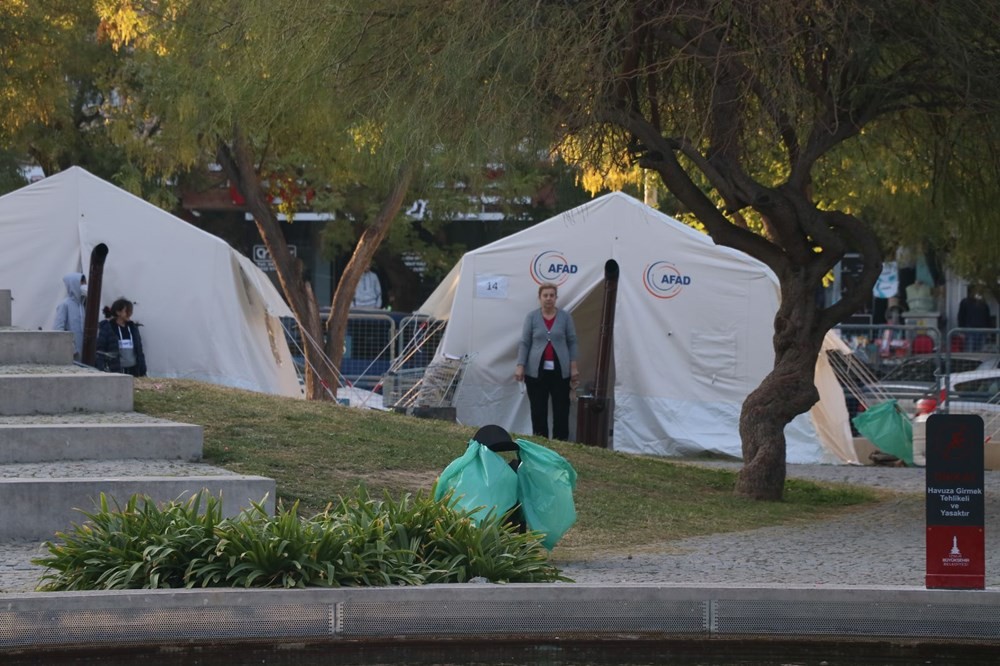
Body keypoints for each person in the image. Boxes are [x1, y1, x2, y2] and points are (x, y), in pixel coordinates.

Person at [515, 282, 579, 441]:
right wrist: (520, 365)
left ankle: (561, 442)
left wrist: (573, 366)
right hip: (535, 371)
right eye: (545, 295)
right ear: (539, 298)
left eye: (552, 295)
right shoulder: (532, 317)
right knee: (538, 409)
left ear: (556, 298)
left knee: (561, 409)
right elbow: (525, 342)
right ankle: (540, 442)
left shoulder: (565, 317)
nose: (548, 298)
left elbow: (572, 341)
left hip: (560, 370)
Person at [95, 298, 147, 377]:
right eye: (127, 311)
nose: (130, 314)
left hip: (133, 371)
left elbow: (139, 350)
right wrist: (101, 369)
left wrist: (142, 370)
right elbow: (100, 350)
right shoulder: (108, 328)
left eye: (131, 311)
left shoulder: (133, 328)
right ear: (118, 312)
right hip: (115, 371)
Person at [53, 272, 87, 360]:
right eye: (81, 283)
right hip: (72, 354)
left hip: (86, 352)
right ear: (73, 284)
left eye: (84, 282)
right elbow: (58, 329)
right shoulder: (65, 305)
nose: (84, 285)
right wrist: (71, 349)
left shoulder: (85, 305)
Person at [958, 285, 993, 352]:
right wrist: (961, 331)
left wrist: (989, 331)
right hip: (970, 329)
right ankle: (969, 362)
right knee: (970, 350)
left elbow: (987, 317)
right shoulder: (965, 302)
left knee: (980, 351)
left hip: (982, 330)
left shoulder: (983, 303)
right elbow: (961, 316)